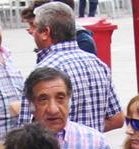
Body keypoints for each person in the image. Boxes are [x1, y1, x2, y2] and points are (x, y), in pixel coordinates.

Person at [23, 2, 121, 133]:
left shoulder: (44, 71)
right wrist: (90, 133)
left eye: (34, 27)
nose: (31, 32)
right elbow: (117, 118)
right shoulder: (98, 64)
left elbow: (26, 129)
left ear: (46, 32)